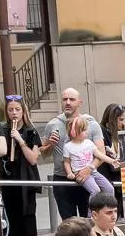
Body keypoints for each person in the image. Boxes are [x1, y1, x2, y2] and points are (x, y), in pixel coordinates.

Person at [41, 88, 102, 220]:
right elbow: (44, 155)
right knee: (69, 225)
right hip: (62, 179)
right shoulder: (53, 124)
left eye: (72, 99)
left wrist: (88, 169)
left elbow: (100, 153)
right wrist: (50, 144)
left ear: (79, 102)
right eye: (64, 99)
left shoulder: (91, 124)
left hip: (86, 178)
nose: (67, 102)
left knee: (89, 223)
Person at [0, 97, 43, 236]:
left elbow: (33, 159)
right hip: (9, 179)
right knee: (13, 219)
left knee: (28, 219)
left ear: (23, 111)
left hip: (26, 181)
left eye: (17, 109)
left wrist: (20, 140)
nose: (14, 113)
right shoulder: (2, 130)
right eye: (10, 110)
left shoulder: (31, 131)